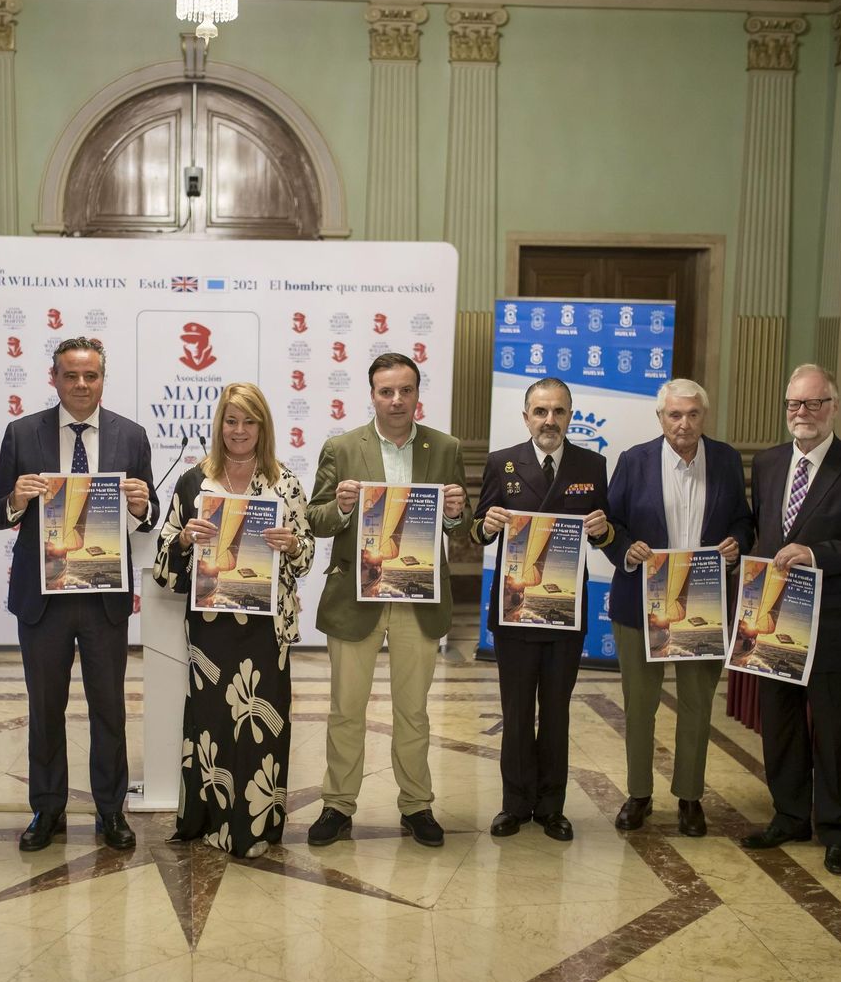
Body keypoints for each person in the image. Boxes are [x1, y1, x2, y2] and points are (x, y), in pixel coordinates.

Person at [0, 337, 158, 852]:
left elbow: (149, 515)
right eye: (70, 376)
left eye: (91, 376)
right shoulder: (22, 432)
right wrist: (15, 500)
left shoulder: (132, 435)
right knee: (45, 707)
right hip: (43, 599)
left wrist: (142, 504)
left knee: (109, 708)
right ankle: (47, 809)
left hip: (104, 594)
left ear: (103, 379)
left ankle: (111, 811)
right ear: (54, 378)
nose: (81, 385)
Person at [304, 352, 472, 848]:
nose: (396, 400)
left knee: (413, 711)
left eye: (405, 390)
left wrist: (456, 514)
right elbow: (314, 520)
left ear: (419, 394)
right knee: (345, 710)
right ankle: (337, 805)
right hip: (357, 597)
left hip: (418, 598)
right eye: (386, 391)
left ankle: (417, 805)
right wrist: (340, 505)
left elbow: (458, 525)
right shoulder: (341, 447)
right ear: (372, 395)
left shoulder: (445, 447)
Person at [153, 383, 314, 857]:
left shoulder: (285, 483)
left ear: (262, 427)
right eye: (231, 420)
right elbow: (165, 569)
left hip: (266, 629)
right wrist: (184, 539)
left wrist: (292, 546)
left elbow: (305, 561)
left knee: (263, 727)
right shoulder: (193, 483)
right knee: (213, 726)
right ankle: (210, 821)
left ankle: (257, 826)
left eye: (249, 421)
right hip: (211, 626)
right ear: (219, 424)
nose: (239, 430)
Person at [742, 363, 841, 875]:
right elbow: (762, 532)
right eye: (793, 405)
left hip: (832, 624)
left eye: (812, 404)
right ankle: (788, 815)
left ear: (833, 407)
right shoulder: (765, 464)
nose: (801, 414)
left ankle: (840, 831)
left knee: (835, 731)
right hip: (774, 618)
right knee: (779, 726)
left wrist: (816, 552)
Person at [604, 379, 753, 837]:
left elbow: (744, 522)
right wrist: (626, 550)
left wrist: (737, 546)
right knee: (640, 705)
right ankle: (639, 794)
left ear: (703, 417)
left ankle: (690, 797)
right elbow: (611, 524)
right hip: (640, 603)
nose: (683, 423)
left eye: (692, 414)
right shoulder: (634, 461)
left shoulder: (726, 460)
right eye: (674, 415)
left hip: (704, 601)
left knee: (696, 705)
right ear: (660, 418)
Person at [471, 377, 615, 841]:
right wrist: (485, 524)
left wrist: (602, 528)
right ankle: (514, 804)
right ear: (527, 416)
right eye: (541, 411)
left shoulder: (592, 464)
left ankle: (552, 806)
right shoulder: (502, 462)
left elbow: (607, 533)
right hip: (515, 611)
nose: (549, 420)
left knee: (556, 710)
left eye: (558, 412)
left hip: (565, 611)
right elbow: (476, 529)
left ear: (570, 416)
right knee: (516, 711)